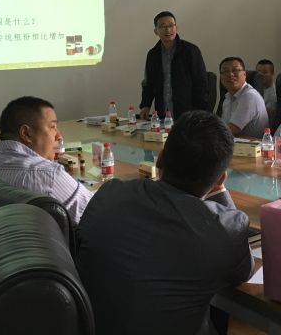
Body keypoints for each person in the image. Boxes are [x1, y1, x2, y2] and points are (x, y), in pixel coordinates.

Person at [77, 111, 253, 335]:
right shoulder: (225, 230)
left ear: (159, 160)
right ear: (221, 178)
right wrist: (220, 193)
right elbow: (243, 272)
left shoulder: (109, 193)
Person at [0, 96, 92, 224]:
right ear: (26, 133)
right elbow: (98, 214)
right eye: (52, 127)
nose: (59, 136)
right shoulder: (49, 176)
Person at [139, 11, 209, 121]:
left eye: (171, 25)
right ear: (156, 31)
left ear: (176, 28)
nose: (168, 30)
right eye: (163, 26)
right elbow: (148, 84)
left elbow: (201, 84)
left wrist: (199, 113)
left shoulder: (190, 51)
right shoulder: (153, 54)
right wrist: (145, 105)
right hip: (162, 114)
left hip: (188, 114)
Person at [219, 56, 268, 139]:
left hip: (253, 146)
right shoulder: (227, 98)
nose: (230, 74)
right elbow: (224, 127)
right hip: (234, 144)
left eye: (235, 70)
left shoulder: (250, 96)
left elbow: (232, 129)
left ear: (244, 74)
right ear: (221, 77)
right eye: (225, 71)